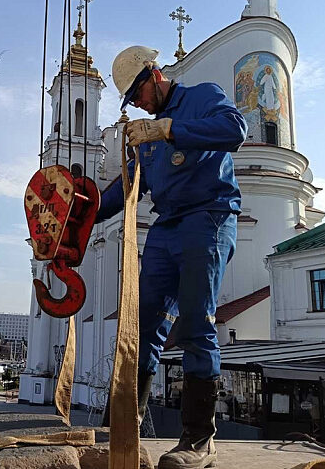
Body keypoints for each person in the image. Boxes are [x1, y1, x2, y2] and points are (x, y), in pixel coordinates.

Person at [98, 46, 246, 469]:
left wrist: (166, 129)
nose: (138, 104)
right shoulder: (145, 137)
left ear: (155, 75)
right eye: (131, 101)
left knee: (196, 323)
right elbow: (126, 189)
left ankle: (199, 440)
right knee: (141, 324)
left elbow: (234, 129)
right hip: (168, 227)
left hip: (209, 216)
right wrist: (83, 206)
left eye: (138, 93)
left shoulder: (202, 97)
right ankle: (124, 427)